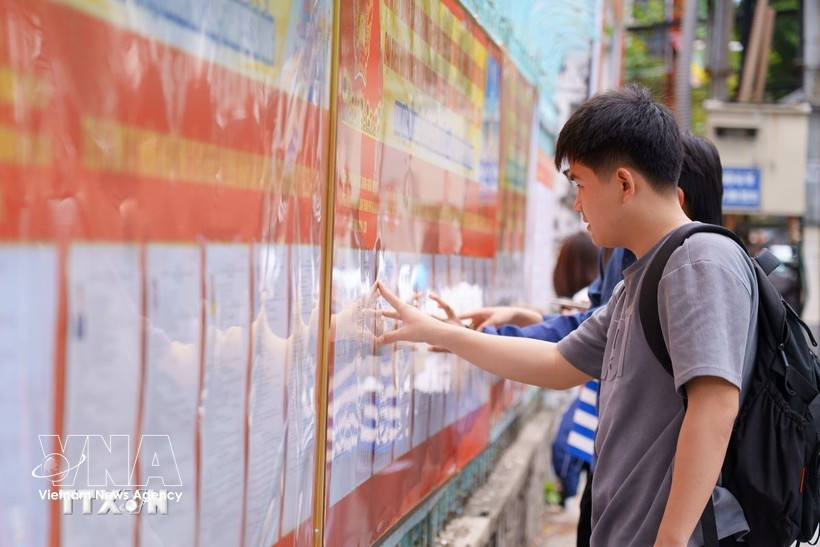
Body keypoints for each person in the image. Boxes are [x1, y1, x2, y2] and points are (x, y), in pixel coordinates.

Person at [377, 85, 757, 546]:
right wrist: (444, 334)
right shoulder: (638, 280)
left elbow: (715, 404)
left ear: (623, 184)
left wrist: (672, 540)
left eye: (579, 184)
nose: (577, 204)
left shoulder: (699, 262)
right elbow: (557, 363)